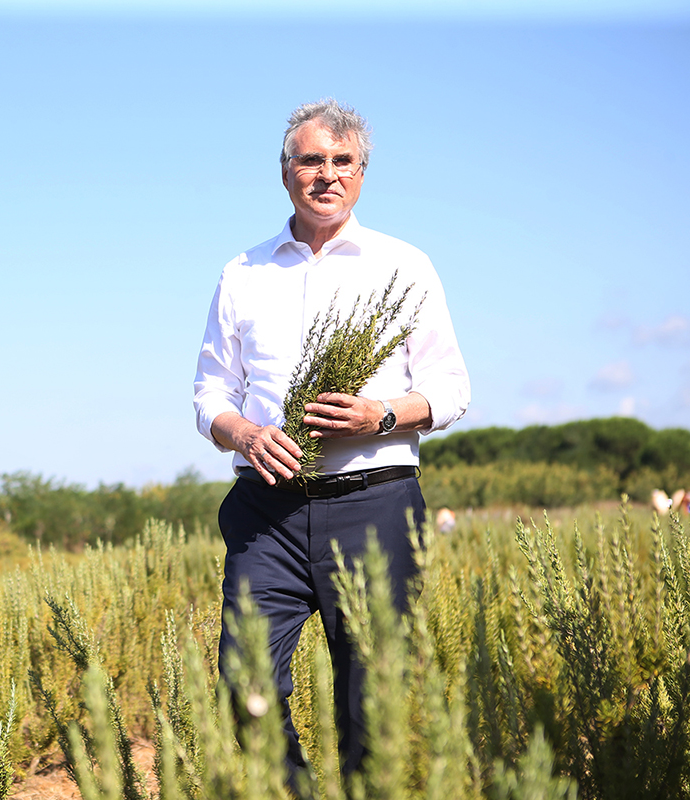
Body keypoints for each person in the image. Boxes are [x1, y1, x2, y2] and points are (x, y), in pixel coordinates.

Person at [193, 99, 471, 784]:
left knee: (369, 706)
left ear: (362, 174)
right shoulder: (243, 272)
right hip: (268, 511)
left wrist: (379, 415)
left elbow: (452, 388)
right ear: (285, 172)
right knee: (244, 685)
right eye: (311, 160)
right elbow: (209, 396)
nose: (327, 174)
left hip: (374, 506)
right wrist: (247, 433)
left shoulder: (404, 264)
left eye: (342, 162)